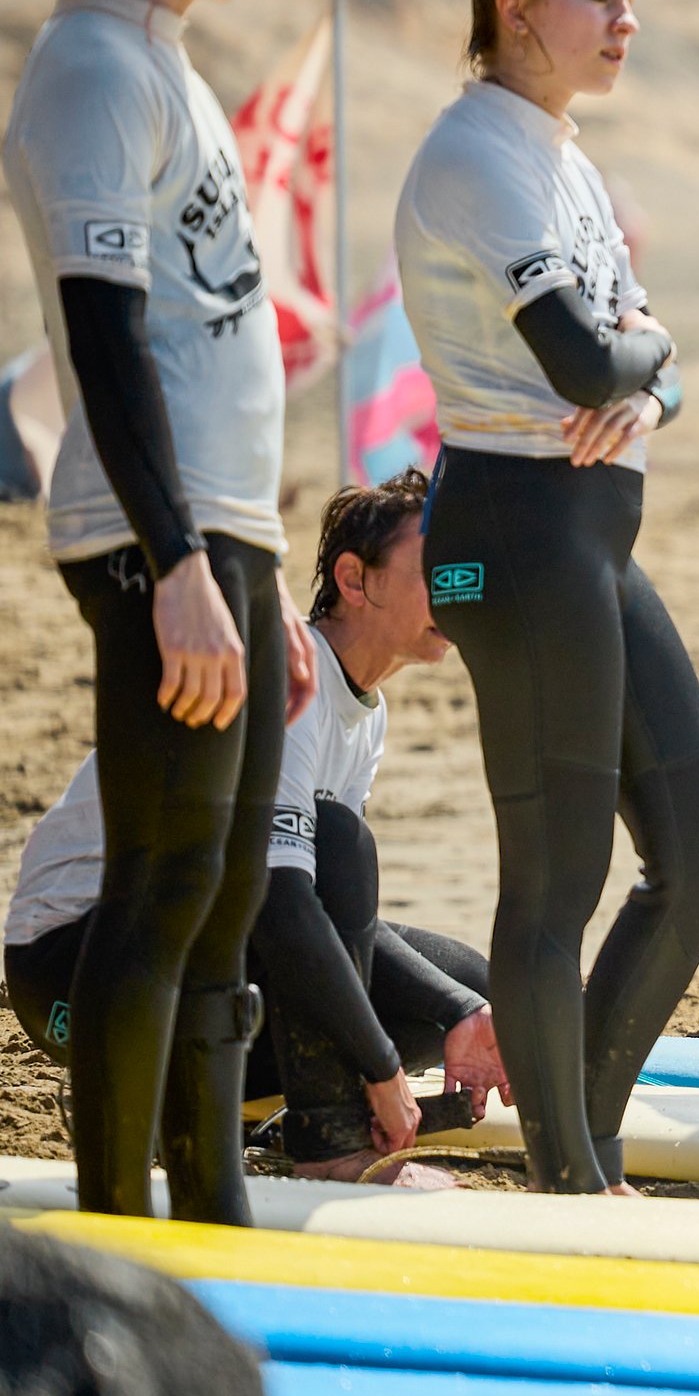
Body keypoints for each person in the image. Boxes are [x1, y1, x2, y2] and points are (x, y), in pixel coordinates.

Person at [0, 0, 315, 1222]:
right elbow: (109, 332)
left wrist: (259, 566)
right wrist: (181, 561)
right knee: (164, 884)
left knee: (230, 897)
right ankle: (126, 1233)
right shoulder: (90, 71)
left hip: (219, 530)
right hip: (148, 533)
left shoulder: (169, 63)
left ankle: (215, 1209)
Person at [395, 0, 699, 1193]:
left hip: (593, 540)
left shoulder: (564, 157)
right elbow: (596, 354)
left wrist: (651, 383)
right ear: (516, 8)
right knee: (558, 886)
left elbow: (647, 366)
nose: (626, 21)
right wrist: (649, 361)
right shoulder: (477, 158)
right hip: (514, 534)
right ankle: (569, 1176)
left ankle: (582, 1134)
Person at [9, 473, 508, 1184]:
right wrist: (380, 1068)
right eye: (433, 570)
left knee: (469, 988)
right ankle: (327, 1147)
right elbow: (285, 906)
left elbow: (336, 916)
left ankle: (238, 1108)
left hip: (194, 942)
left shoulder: (365, 712)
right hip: (77, 966)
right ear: (354, 579)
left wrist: (461, 1008)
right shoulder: (290, 687)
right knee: (335, 850)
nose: (457, 590)